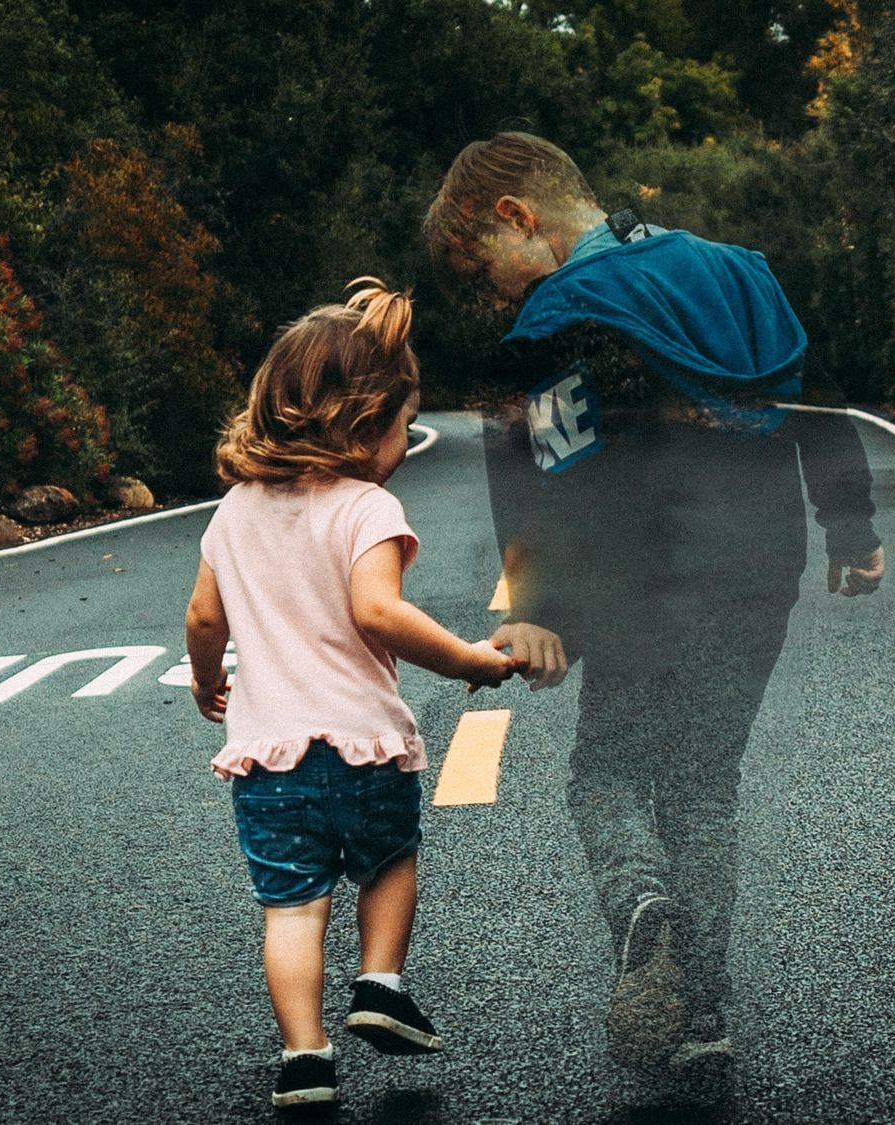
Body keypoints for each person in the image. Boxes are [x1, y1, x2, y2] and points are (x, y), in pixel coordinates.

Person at [424, 133, 886, 1077]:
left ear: (517, 217)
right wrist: (851, 524)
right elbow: (819, 395)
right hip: (760, 568)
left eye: (482, 268)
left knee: (608, 772)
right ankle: (703, 1013)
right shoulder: (738, 272)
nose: (495, 294)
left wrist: (538, 606)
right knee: (706, 780)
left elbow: (545, 469)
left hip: (640, 585)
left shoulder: (559, 316)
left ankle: (642, 903)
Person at [184, 278, 526, 1110]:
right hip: (363, 745)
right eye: (405, 425)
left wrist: (207, 678)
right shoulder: (367, 507)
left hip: (268, 759)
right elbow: (378, 610)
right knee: (390, 858)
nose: (406, 442)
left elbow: (202, 617)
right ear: (365, 422)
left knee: (293, 909)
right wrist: (469, 660)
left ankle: (305, 1055)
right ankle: (379, 980)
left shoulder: (233, 511)